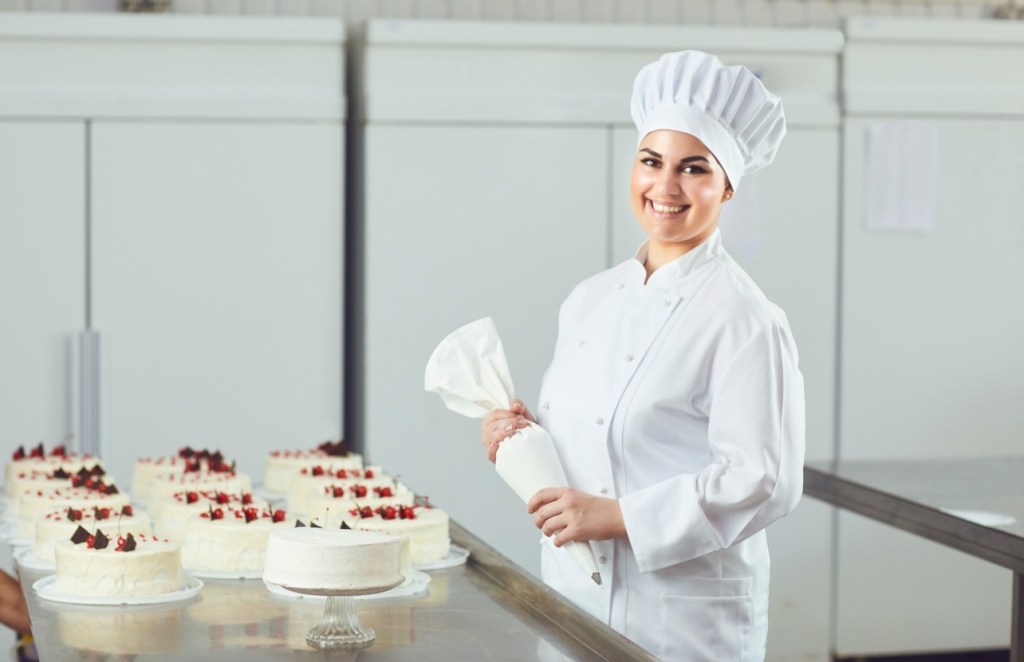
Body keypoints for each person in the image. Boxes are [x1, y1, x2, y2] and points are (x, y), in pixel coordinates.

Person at [480, 50, 805, 661]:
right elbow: (596, 437)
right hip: (574, 596)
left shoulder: (745, 319)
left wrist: (621, 517)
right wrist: (521, 436)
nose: (665, 186)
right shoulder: (590, 298)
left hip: (682, 619)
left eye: (693, 168)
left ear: (727, 186)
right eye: (651, 161)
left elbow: (765, 481)